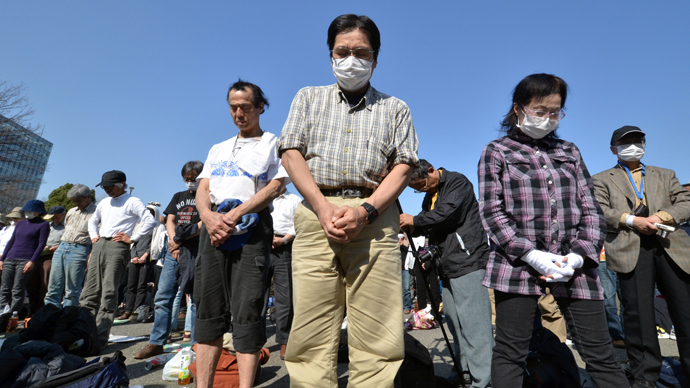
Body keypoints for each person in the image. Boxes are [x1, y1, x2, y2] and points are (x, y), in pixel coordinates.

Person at [278, 14, 419, 387]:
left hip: (374, 218)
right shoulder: (308, 98)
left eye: (361, 52)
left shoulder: (395, 108)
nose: (351, 59)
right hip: (314, 213)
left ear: (375, 58)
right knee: (310, 323)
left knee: (377, 327)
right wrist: (323, 207)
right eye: (343, 52)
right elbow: (291, 153)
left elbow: (403, 167)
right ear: (331, 56)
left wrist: (366, 210)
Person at [477, 73, 628, 387]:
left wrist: (577, 256)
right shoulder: (497, 151)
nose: (547, 118)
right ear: (518, 109)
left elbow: (591, 208)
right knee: (510, 352)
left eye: (554, 112)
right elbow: (492, 211)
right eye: (539, 111)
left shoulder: (569, 151)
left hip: (573, 264)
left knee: (600, 353)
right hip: (517, 263)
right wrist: (531, 255)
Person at [194, 80, 286, 388]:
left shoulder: (273, 142)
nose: (238, 113)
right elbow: (204, 188)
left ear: (260, 107)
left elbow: (276, 186)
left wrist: (235, 215)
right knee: (207, 311)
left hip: (251, 229)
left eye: (245, 107)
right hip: (214, 230)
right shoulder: (218, 148)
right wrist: (208, 217)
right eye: (233, 107)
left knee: (247, 310)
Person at [592, 126, 690, 387]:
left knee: (685, 311)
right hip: (630, 247)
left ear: (645, 145)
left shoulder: (666, 174)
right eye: (626, 142)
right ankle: (644, 377)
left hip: (671, 247)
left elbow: (685, 203)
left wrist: (661, 217)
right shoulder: (601, 179)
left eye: (638, 141)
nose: (633, 145)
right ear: (613, 148)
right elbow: (598, 210)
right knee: (637, 317)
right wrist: (632, 220)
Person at [401, 159, 493, 388]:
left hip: (467, 261)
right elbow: (429, 223)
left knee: (475, 327)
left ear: (431, 170)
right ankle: (464, 373)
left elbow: (447, 214)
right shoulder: (430, 194)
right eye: (416, 188)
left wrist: (415, 220)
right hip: (446, 265)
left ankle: (485, 381)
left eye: (422, 184)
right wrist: (412, 227)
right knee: (455, 324)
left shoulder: (457, 182)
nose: (421, 189)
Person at [134, 160, 203, 360]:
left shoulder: (208, 195)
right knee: (163, 297)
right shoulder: (178, 196)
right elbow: (170, 220)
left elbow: (204, 222)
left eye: (194, 178)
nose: (190, 182)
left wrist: (181, 240)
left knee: (195, 299)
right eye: (187, 179)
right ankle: (157, 342)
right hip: (173, 251)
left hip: (196, 250)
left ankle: (196, 344)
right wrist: (174, 241)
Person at [80, 170, 155, 349]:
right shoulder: (104, 202)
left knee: (108, 292)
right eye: (104, 187)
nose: (106, 190)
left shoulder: (132, 201)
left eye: (110, 186)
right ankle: (83, 333)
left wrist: (133, 238)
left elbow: (150, 220)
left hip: (117, 246)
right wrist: (93, 237)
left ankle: (99, 338)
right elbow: (93, 221)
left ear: (122, 184)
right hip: (100, 244)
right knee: (89, 292)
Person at [44, 184, 97, 307]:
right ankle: (50, 316)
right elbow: (66, 229)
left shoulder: (97, 212)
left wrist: (90, 256)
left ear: (88, 197)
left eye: (79, 200)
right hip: (61, 247)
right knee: (53, 287)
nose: (76, 203)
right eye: (74, 201)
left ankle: (68, 318)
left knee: (72, 290)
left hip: (80, 249)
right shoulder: (71, 211)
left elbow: (96, 237)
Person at [267, 186, 301, 360]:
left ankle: (284, 341)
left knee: (285, 299)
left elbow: (299, 224)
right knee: (255, 296)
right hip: (261, 246)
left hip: (285, 248)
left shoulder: (294, 200)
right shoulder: (263, 197)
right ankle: (254, 344)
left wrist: (285, 239)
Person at [0, 200, 50, 315]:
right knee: (4, 288)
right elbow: (11, 241)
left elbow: (41, 244)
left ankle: (13, 315)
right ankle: (2, 312)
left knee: (17, 289)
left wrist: (32, 261)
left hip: (26, 260)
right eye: (26, 210)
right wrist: (2, 259)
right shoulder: (21, 223)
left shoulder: (43, 224)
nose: (27, 213)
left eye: (30, 210)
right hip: (10, 258)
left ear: (38, 212)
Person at [118, 205, 159, 320]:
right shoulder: (138, 227)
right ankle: (128, 310)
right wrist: (134, 255)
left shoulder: (156, 228)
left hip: (147, 259)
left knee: (142, 286)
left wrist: (145, 255)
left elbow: (154, 244)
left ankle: (136, 311)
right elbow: (133, 242)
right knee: (131, 286)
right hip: (134, 259)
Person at [26, 206, 65, 313]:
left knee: (46, 281)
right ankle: (33, 308)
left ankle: (45, 309)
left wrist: (58, 246)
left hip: (54, 256)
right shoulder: (47, 225)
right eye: (52, 218)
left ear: (63, 214)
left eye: (57, 217)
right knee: (31, 282)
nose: (54, 220)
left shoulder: (67, 226)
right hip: (38, 255)